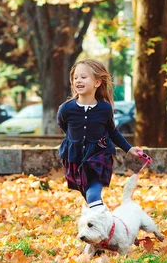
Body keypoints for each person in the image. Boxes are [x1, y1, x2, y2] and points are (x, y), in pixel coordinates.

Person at [57, 59, 145, 210]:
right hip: (75, 158)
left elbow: (112, 132)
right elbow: (64, 126)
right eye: (75, 77)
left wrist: (129, 149)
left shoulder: (104, 109)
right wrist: (76, 140)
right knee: (89, 196)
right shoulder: (66, 109)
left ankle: (106, 224)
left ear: (97, 83)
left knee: (92, 195)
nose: (78, 80)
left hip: (99, 155)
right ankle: (105, 221)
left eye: (83, 77)